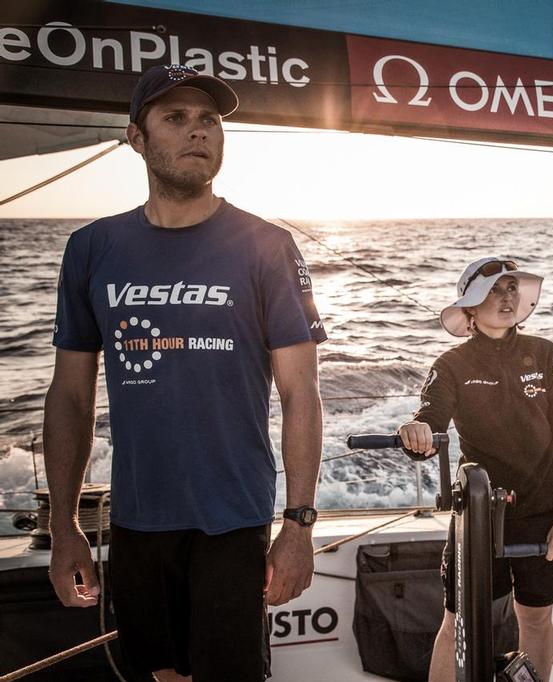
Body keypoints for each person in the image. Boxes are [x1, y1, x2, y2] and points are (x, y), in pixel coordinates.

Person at [43, 64, 327, 682]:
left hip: (233, 518)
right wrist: (63, 525)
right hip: (136, 520)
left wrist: (299, 524)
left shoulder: (267, 246)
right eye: (175, 118)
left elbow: (301, 392)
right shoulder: (91, 249)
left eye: (209, 120)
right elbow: (70, 395)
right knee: (157, 676)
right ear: (136, 140)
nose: (198, 131)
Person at [399, 257, 553, 682]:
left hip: (543, 516)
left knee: (535, 620)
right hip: (478, 518)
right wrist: (418, 432)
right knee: (458, 623)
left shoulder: (545, 353)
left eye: (511, 289)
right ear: (469, 309)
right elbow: (430, 419)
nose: (507, 297)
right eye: (494, 291)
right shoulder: (451, 365)